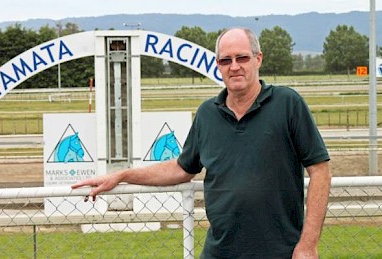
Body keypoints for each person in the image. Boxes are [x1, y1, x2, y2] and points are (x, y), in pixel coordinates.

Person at [71, 27, 332, 258]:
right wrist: (122, 175)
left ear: (258, 59)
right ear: (218, 65)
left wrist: (308, 244)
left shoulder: (288, 104)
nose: (234, 66)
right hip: (220, 251)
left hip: (281, 252)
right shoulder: (208, 113)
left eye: (242, 57)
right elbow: (182, 169)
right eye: (225, 60)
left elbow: (320, 170)